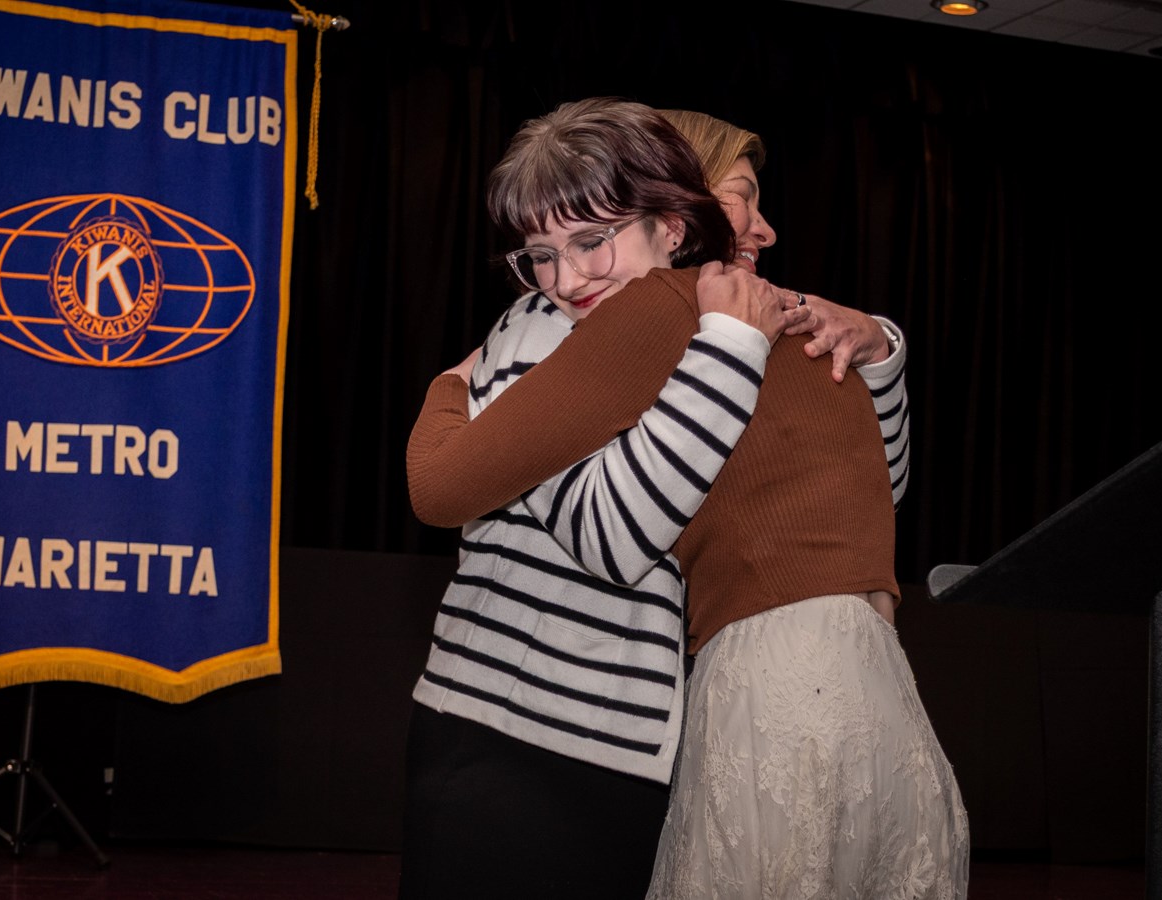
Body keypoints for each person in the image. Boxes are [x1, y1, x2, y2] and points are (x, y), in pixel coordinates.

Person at [408, 99, 968, 898]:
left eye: (589, 243)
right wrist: (452, 384)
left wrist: (879, 350)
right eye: (542, 253)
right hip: (515, 727)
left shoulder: (711, 325)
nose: (565, 277)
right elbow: (607, 539)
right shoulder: (549, 327)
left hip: (650, 733)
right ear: (682, 199)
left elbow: (866, 497)